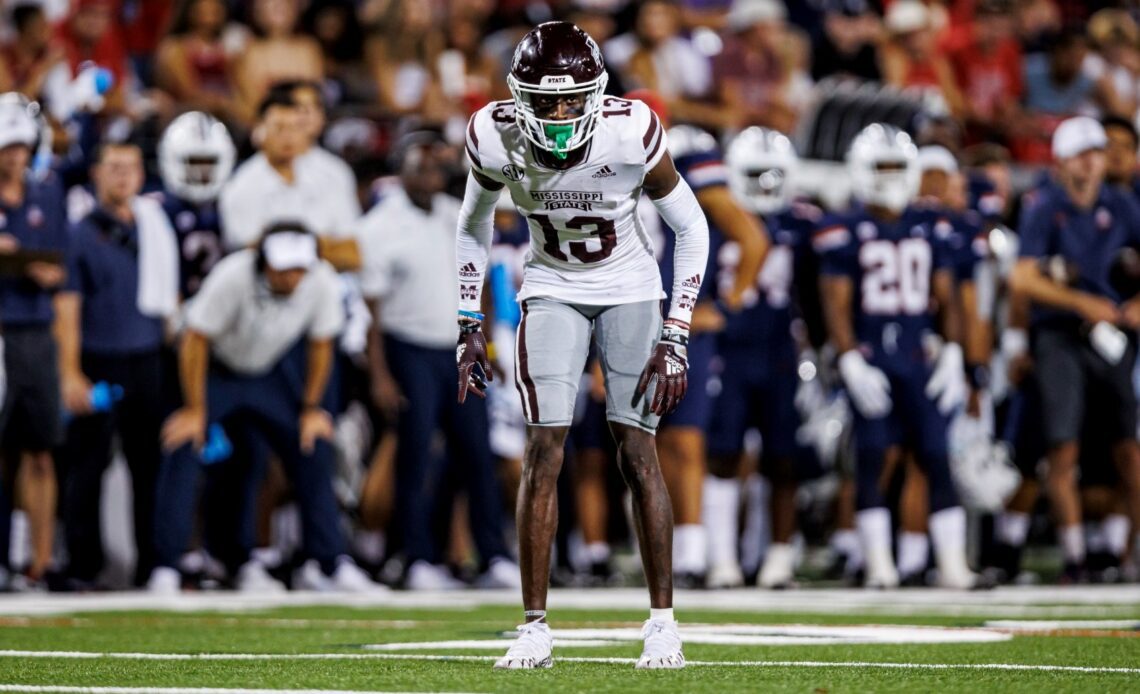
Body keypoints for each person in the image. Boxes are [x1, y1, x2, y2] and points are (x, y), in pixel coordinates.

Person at [455, 22, 707, 669]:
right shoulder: (492, 132)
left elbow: (691, 225)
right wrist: (467, 321)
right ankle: (535, 627)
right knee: (544, 447)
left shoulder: (632, 130)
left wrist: (675, 333)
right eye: (547, 100)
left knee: (637, 450)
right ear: (519, 95)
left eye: (573, 100)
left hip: (629, 287)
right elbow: (472, 224)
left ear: (597, 94)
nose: (561, 113)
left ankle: (661, 624)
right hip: (551, 285)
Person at [151, 222, 381, 594]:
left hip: (268, 373)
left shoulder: (320, 281)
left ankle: (328, 562)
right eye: (283, 268)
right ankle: (166, 566)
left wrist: (310, 408)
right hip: (214, 369)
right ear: (263, 262)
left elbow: (321, 344)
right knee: (184, 441)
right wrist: (195, 409)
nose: (292, 277)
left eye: (298, 268)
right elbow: (195, 338)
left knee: (313, 443)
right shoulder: (232, 275)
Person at [817, 124, 977, 590]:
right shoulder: (844, 227)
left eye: (896, 167)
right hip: (872, 356)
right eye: (880, 167)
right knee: (872, 456)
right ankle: (880, 565)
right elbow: (834, 300)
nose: (889, 177)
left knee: (935, 453)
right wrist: (848, 357)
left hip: (916, 353)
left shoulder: (930, 225)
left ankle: (951, 564)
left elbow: (946, 297)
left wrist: (953, 352)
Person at [357, 132, 518, 590]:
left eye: (435, 167)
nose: (430, 175)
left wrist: (484, 339)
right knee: (415, 457)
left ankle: (491, 556)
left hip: (459, 346)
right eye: (419, 166)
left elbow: (482, 278)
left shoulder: (458, 214)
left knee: (477, 454)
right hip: (407, 347)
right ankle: (416, 557)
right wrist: (381, 374)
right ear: (399, 168)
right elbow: (370, 311)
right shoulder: (378, 226)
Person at [630, 97, 768, 588]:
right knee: (635, 442)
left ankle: (688, 555)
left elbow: (750, 237)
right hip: (625, 314)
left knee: (685, 440)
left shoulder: (688, 159)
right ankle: (652, 551)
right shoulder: (603, 161)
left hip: (678, 322)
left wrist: (725, 305)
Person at [1008, 116, 1140, 581]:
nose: (1092, 161)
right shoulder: (1044, 206)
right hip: (1060, 334)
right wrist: (1080, 302)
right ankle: (1075, 555)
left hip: (1113, 337)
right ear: (1062, 161)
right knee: (1062, 449)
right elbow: (1021, 278)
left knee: (1130, 449)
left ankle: (1120, 553)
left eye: (1097, 152)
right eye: (1083, 153)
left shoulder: (1121, 204)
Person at [57, 141, 180, 588]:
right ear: (96, 174)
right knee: (87, 466)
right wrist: (71, 371)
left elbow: (170, 301)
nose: (122, 176)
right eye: (113, 167)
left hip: (147, 358)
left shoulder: (154, 227)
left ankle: (154, 562)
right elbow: (67, 307)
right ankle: (83, 564)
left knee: (148, 465)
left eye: (130, 167)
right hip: (100, 358)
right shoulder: (81, 233)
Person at [708, 126, 819, 589]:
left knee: (783, 458)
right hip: (729, 349)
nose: (766, 183)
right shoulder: (715, 219)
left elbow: (814, 295)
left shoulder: (800, 223)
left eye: (774, 174)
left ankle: (777, 558)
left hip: (778, 351)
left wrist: (821, 351)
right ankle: (722, 560)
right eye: (756, 173)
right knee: (724, 454)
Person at [0, 95, 70, 589]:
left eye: (22, 146)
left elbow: (60, 268)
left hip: (35, 332)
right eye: (8, 146)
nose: (15, 156)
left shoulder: (48, 194)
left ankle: (38, 563)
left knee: (41, 448)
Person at [220, 91, 359, 252]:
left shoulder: (327, 176)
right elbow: (254, 253)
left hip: (325, 274)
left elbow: (352, 250)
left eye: (295, 128)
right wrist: (324, 246)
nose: (288, 137)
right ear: (259, 131)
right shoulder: (242, 186)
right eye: (279, 128)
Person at [156, 111, 234, 299]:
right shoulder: (157, 210)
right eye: (193, 163)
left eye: (207, 164)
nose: (200, 173)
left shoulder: (234, 203)